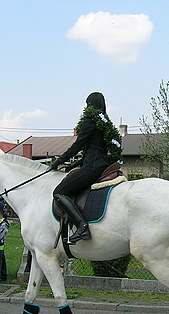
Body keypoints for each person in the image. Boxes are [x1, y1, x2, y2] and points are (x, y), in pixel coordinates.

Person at [50, 92, 122, 244]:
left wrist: (58, 161)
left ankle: (82, 226)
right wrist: (75, 164)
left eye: (87, 104)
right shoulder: (105, 123)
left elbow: (77, 146)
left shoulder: (91, 120)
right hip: (101, 164)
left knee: (59, 192)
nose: (86, 107)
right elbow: (94, 149)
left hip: (92, 168)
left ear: (90, 104)